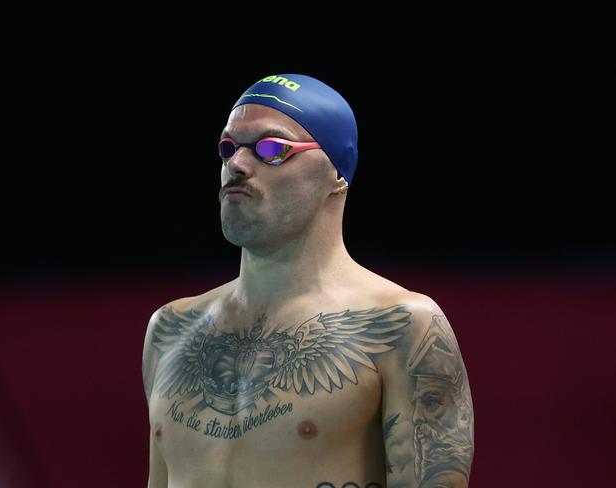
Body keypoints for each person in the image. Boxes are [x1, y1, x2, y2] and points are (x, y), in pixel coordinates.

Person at [142, 74, 475, 488]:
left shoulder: (405, 326)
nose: (237, 165)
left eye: (272, 150)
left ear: (338, 173)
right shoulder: (170, 330)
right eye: (228, 148)